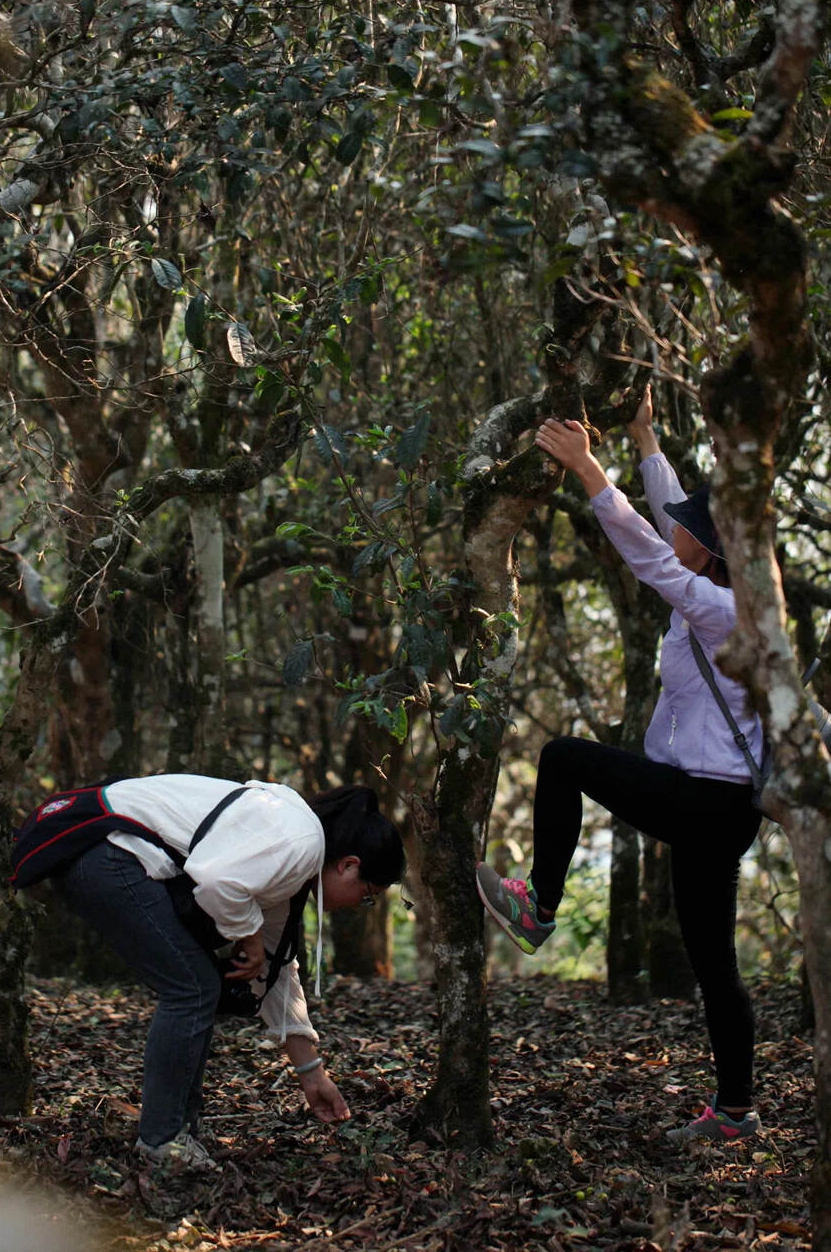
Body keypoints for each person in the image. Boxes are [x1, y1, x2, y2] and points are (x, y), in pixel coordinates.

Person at [476, 386, 764, 1143]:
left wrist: (589, 470)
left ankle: (538, 903)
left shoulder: (723, 609)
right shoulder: (710, 592)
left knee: (563, 757)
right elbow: (670, 518)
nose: (680, 533)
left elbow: (648, 548)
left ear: (715, 552)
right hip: (717, 812)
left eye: (694, 534)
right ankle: (736, 1109)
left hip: (705, 799)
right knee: (713, 962)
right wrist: (643, 437)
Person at [52, 775, 404, 1171]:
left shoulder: (291, 856)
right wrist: (248, 937)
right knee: (194, 989)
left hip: (99, 849)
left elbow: (275, 969)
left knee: (198, 984)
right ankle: (162, 1143)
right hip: (104, 850)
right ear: (348, 865)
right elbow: (216, 881)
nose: (361, 904)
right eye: (368, 895)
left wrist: (311, 1075)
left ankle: (177, 1134)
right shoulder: (302, 843)